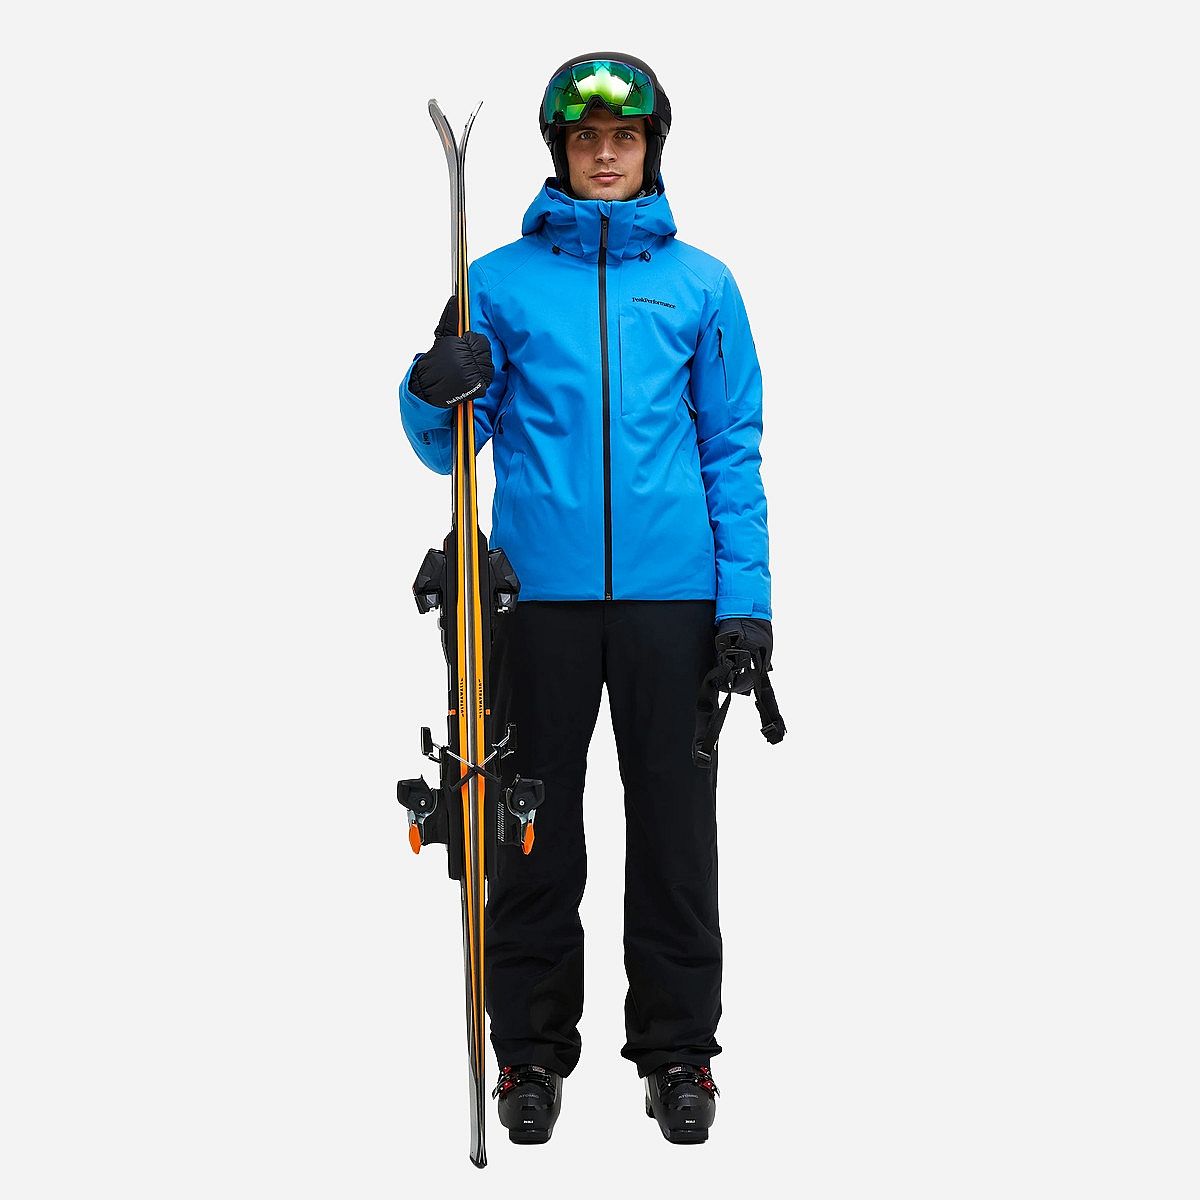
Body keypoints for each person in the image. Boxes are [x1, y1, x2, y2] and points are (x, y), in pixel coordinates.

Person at [398, 52, 776, 1146]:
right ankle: (527, 1051)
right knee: (529, 830)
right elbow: (450, 441)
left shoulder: (702, 286)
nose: (605, 155)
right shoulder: (498, 283)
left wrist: (745, 605)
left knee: (675, 836)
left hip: (675, 602)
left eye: (624, 137)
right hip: (534, 601)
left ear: (652, 147)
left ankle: (679, 1054)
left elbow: (732, 449)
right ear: (559, 151)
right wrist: (429, 387)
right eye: (585, 139)